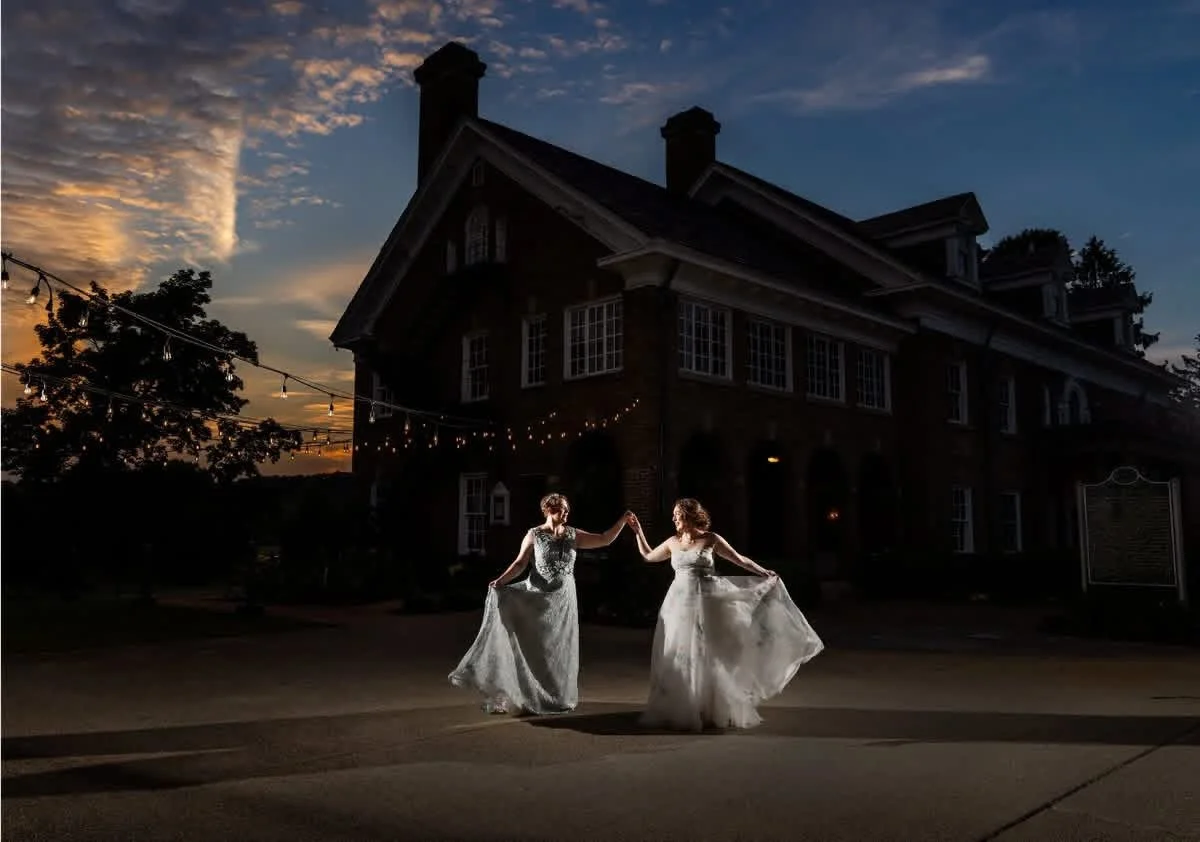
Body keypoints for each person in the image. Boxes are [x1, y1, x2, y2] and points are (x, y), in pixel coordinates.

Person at [628, 498, 824, 731]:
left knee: (707, 652)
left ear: (690, 516)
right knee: (679, 652)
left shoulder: (711, 539)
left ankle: (708, 707)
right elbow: (649, 556)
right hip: (677, 605)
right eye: (673, 515)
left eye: (677, 515)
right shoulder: (673, 542)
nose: (674, 519)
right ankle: (684, 704)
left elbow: (739, 559)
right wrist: (638, 532)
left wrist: (762, 571)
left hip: (707, 602)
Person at [449, 493, 631, 715]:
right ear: (548, 509)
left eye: (567, 509)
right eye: (562, 509)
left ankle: (557, 696)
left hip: (563, 601)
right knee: (536, 647)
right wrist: (500, 581)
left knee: (559, 648)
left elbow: (604, 538)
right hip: (537, 598)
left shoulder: (573, 535)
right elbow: (520, 564)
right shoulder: (534, 535)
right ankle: (528, 695)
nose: (566, 513)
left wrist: (622, 522)